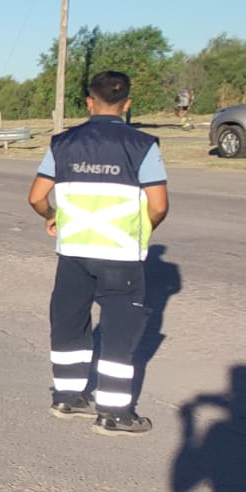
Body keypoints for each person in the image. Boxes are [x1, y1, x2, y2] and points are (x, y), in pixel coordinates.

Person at [27, 70, 169, 436]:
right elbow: (159, 205)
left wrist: (53, 216)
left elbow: (36, 197)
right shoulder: (143, 145)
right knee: (120, 331)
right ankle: (114, 411)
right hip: (121, 255)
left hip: (74, 251)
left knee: (69, 322)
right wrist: (144, 228)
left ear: (89, 102)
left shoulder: (62, 143)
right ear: (127, 104)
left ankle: (67, 396)